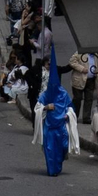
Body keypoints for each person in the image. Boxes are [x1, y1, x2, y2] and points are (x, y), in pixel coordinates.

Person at [32, 42, 79, 176]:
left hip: (61, 128)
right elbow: (37, 107)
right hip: (49, 128)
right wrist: (46, 107)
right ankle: (51, 170)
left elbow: (71, 107)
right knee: (49, 150)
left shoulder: (63, 94)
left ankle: (58, 164)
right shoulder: (46, 95)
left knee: (63, 148)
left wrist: (68, 115)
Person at [60, 49, 97, 128]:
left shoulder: (96, 55)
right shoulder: (80, 52)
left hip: (91, 80)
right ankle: (74, 116)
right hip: (79, 79)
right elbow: (72, 62)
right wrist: (81, 68)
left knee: (89, 98)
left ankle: (86, 117)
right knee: (77, 98)